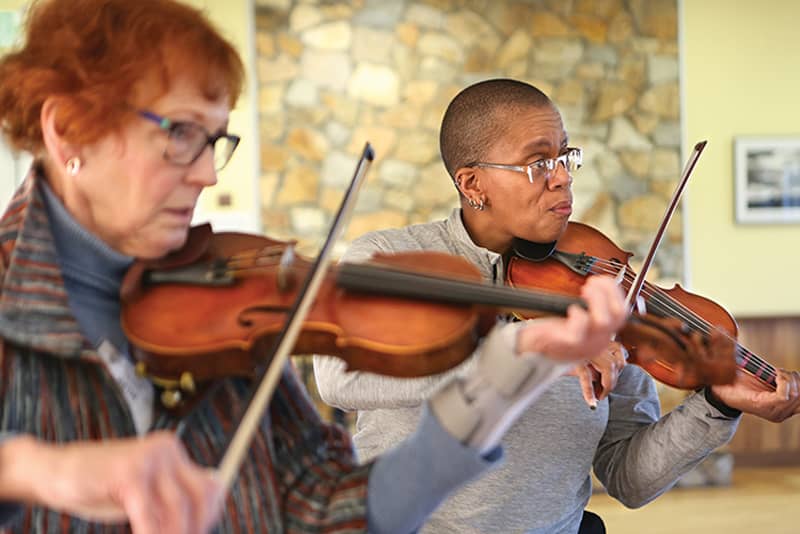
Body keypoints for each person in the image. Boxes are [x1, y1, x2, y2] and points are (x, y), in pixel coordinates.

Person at [0, 3, 632, 533]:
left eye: (216, 140)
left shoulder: (222, 300)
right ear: (68, 132)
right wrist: (32, 468)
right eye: (181, 134)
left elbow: (329, 504)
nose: (206, 172)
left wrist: (500, 379)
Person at [314, 78, 800, 533]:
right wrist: (525, 351)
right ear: (472, 184)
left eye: (565, 157)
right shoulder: (393, 260)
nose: (563, 179)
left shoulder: (606, 289)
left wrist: (715, 407)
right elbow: (339, 378)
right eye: (538, 162)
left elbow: (628, 479)